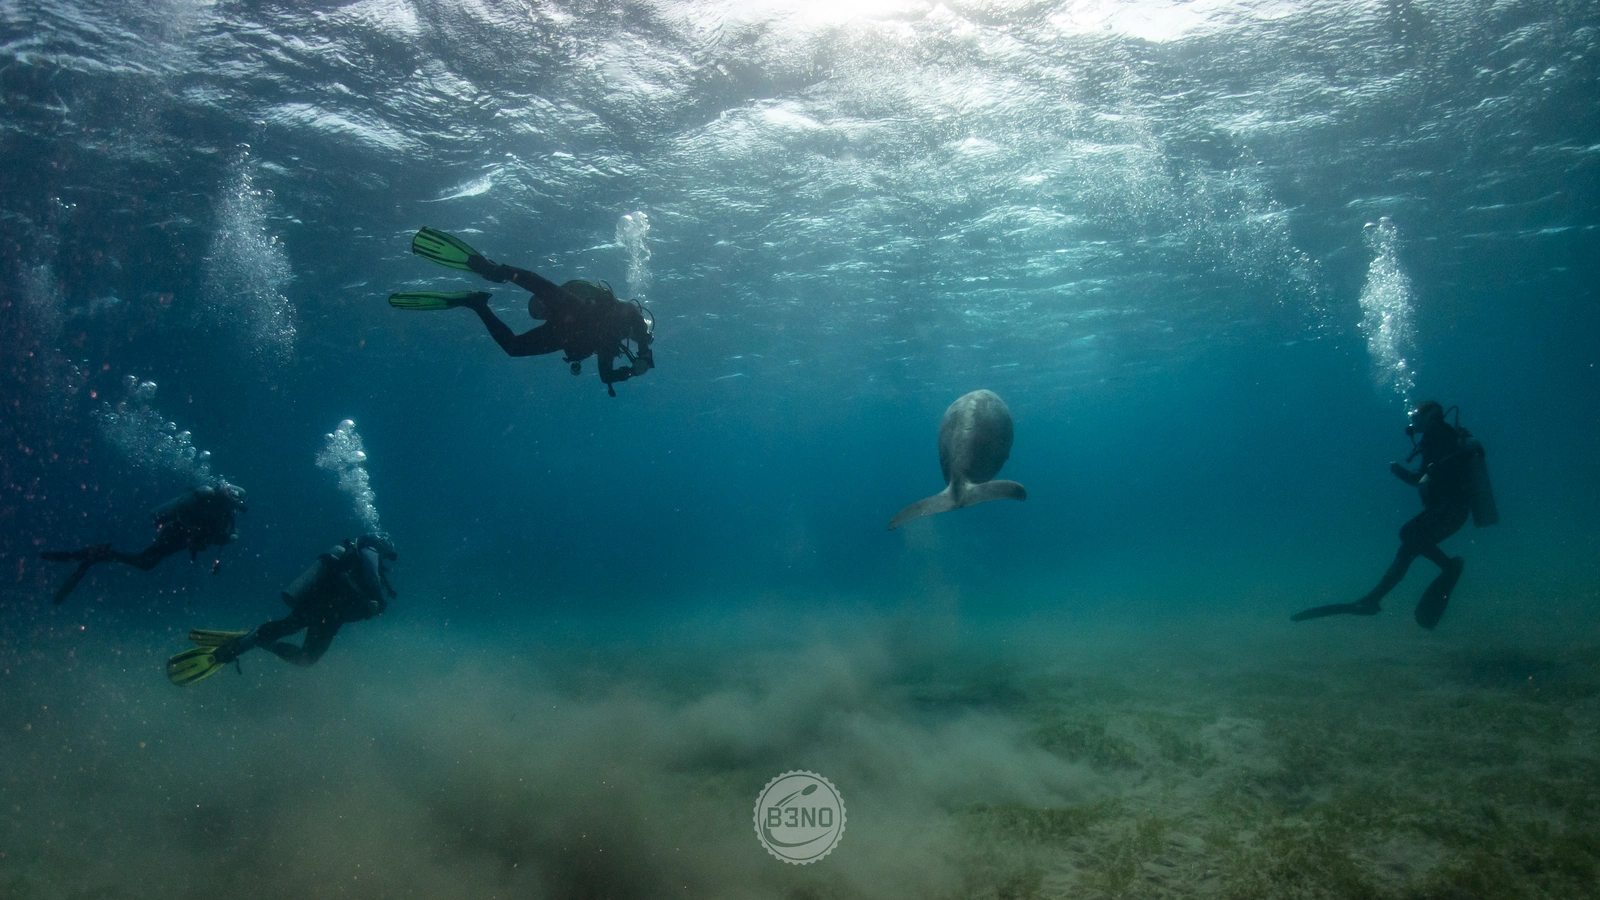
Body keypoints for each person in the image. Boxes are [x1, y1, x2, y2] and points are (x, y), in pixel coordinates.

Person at [1293, 400, 1496, 629]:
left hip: (1450, 511)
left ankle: (1447, 567)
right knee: (1408, 544)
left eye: (1415, 417)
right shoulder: (1444, 435)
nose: (1412, 423)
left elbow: (1420, 478)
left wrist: (1397, 470)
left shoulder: (1436, 436)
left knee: (1409, 536)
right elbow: (1432, 476)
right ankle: (1373, 599)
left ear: (1430, 417)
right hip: (1452, 511)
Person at [390, 227, 655, 397]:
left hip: (563, 334)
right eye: (641, 332)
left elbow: (606, 376)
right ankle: (493, 269)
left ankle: (477, 303)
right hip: (578, 311)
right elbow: (632, 313)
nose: (636, 335)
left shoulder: (610, 345)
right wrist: (644, 354)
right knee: (536, 285)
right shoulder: (623, 313)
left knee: (514, 347)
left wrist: (632, 371)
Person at [166, 534, 397, 686]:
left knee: (301, 651)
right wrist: (376, 600)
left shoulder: (358, 561)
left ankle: (258, 637)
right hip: (322, 609)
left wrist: (370, 604)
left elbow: (361, 594)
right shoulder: (369, 552)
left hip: (324, 612)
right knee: (304, 655)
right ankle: (240, 646)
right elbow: (370, 577)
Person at [38, 481, 247, 604]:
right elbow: (209, 534)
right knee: (145, 562)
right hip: (177, 536)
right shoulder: (217, 510)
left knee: (145, 562)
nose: (236, 508)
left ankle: (96, 555)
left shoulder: (218, 508)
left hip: (178, 536)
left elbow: (205, 533)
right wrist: (228, 539)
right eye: (236, 503)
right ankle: (98, 554)